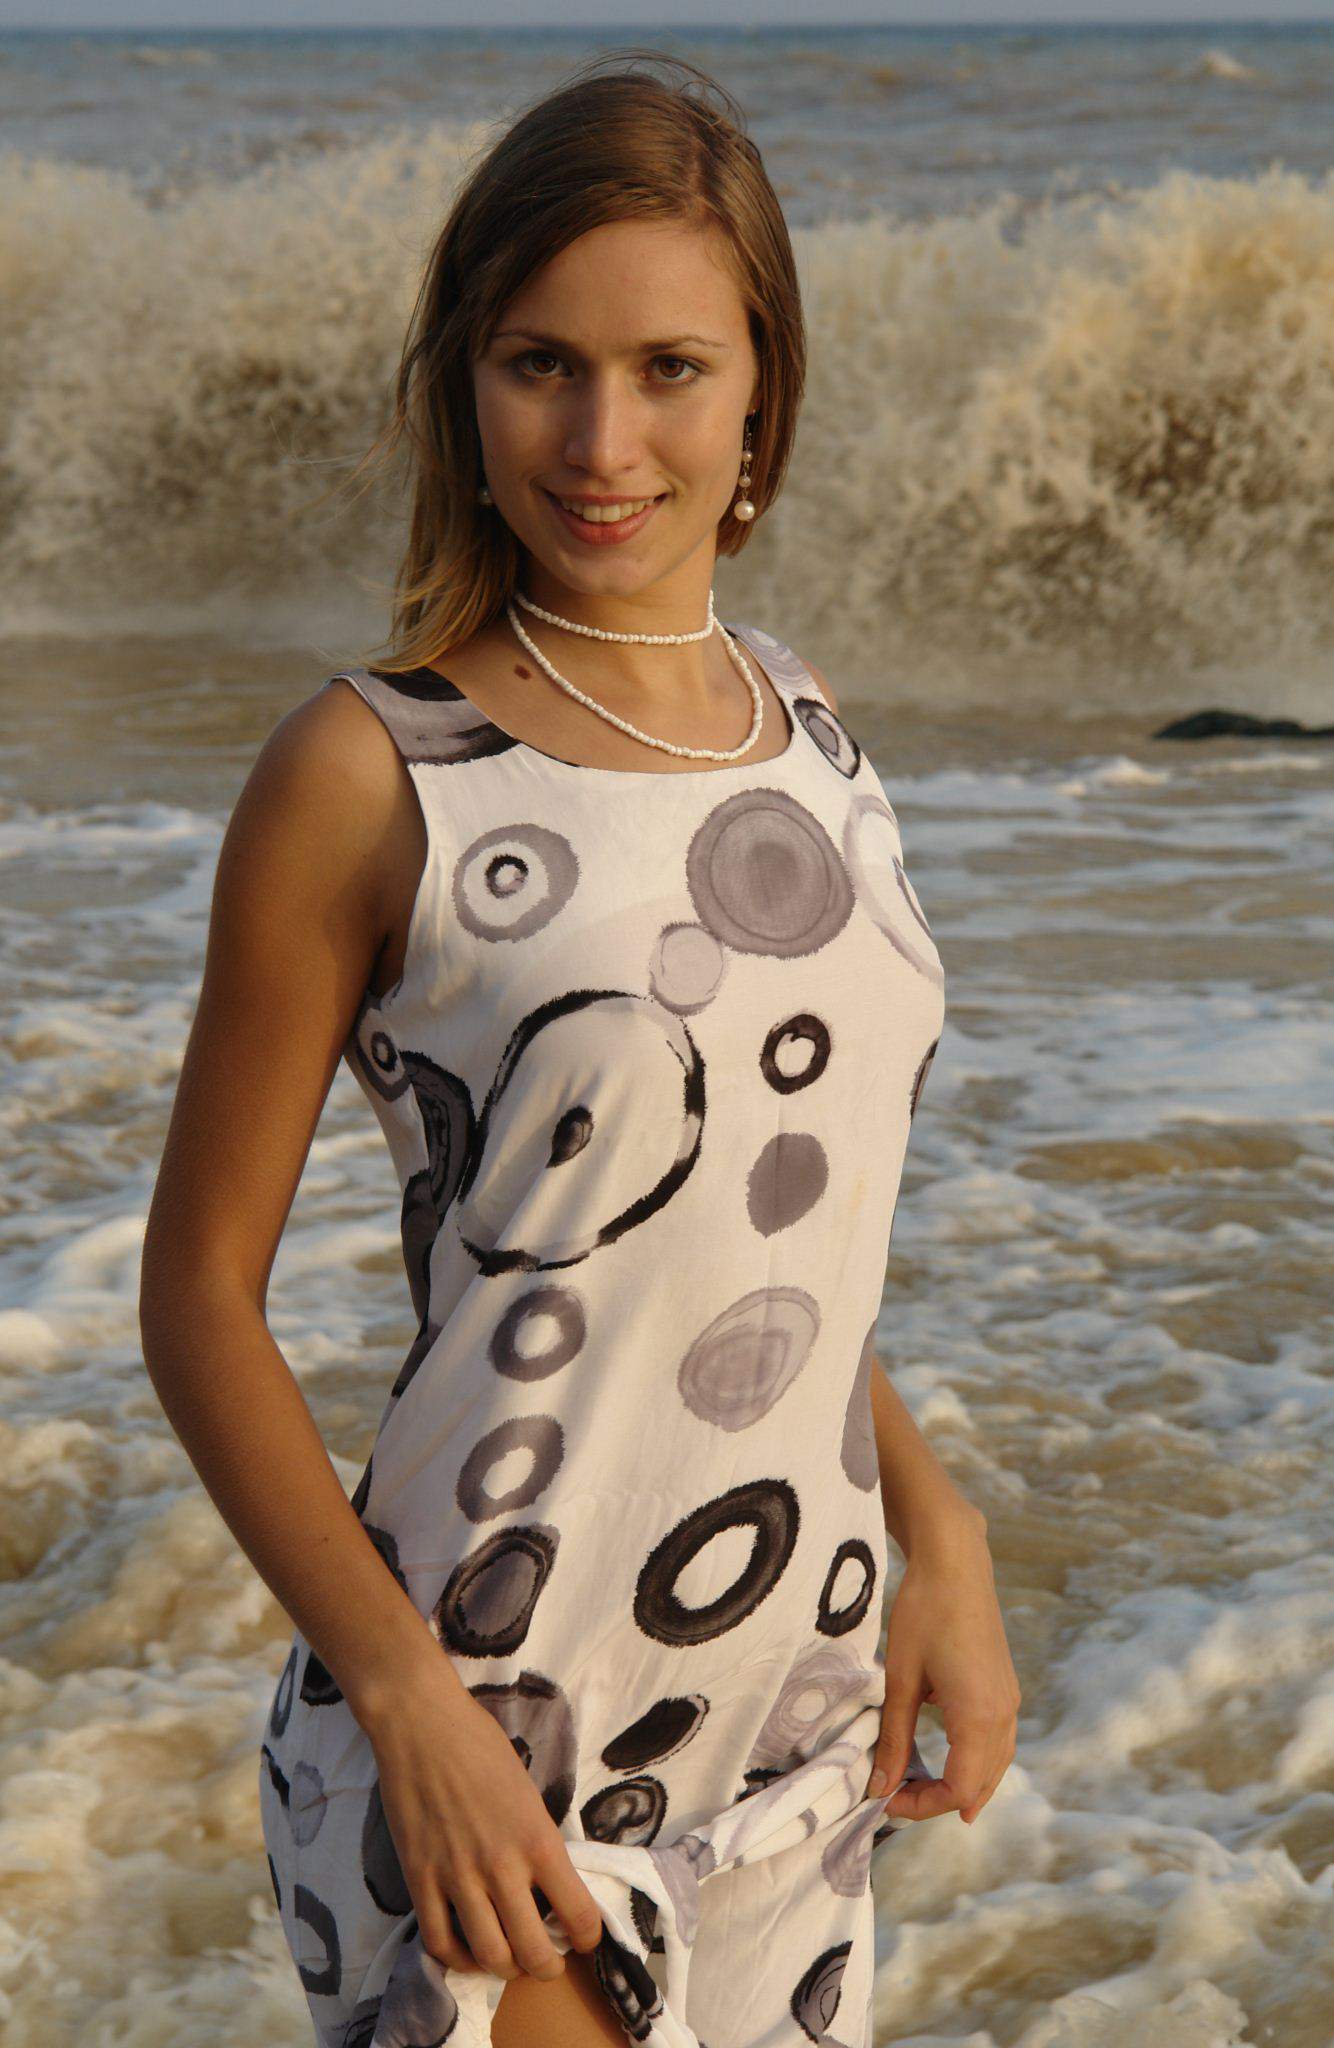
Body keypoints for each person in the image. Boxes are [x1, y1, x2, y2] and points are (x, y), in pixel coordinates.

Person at [139, 51, 1020, 2048]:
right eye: (540, 363)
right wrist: (405, 1701)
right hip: (489, 1718)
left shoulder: (811, 729)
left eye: (668, 369)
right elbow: (195, 1298)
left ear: (761, 393)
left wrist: (938, 1527)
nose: (602, 439)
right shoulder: (372, 771)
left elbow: (748, 1233)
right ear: (464, 382)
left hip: (789, 1707)